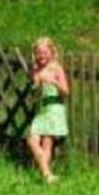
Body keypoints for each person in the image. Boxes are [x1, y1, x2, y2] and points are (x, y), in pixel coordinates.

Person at [27, 37, 69, 184]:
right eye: (38, 53)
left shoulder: (56, 68)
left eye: (45, 52)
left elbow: (66, 91)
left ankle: (46, 174)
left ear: (51, 53)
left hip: (54, 108)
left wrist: (54, 81)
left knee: (47, 143)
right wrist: (36, 84)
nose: (41, 56)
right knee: (32, 140)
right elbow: (34, 91)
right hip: (41, 108)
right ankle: (48, 174)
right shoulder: (35, 69)